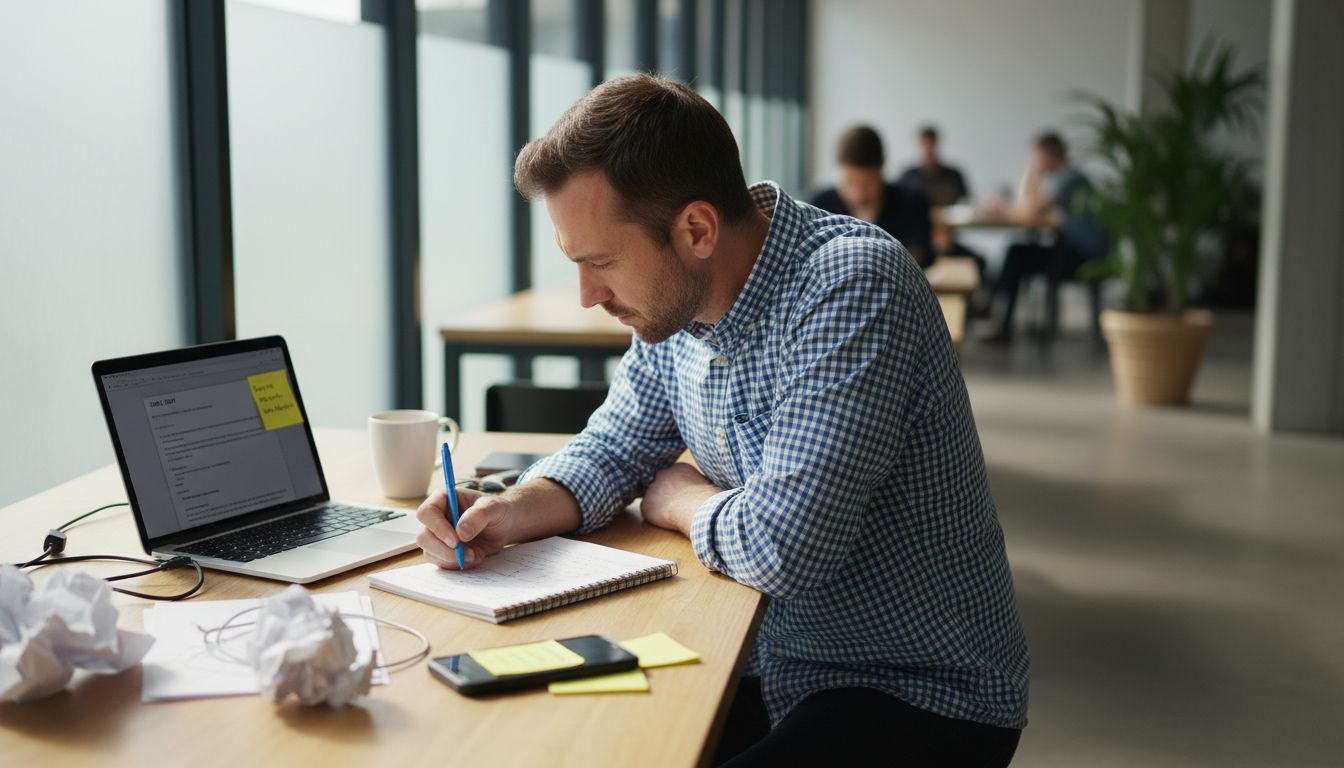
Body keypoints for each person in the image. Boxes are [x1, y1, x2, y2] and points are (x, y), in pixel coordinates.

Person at [414, 75, 1028, 765]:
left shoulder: (853, 285)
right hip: (763, 655)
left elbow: (784, 549)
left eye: (599, 262)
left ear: (697, 229)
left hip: (910, 688)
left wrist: (679, 496)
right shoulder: (674, 309)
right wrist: (509, 507)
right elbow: (616, 444)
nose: (587, 296)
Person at [984, 131, 1108, 342]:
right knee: (1018, 252)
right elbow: (1031, 208)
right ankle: (995, 310)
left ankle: (995, 310)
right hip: (1070, 248)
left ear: (1049, 155)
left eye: (1036, 157)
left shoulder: (1069, 178)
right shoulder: (1065, 178)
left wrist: (1030, 176)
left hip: (1082, 256)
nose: (1034, 161)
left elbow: (1030, 210)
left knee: (1016, 254)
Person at [809, 125, 933, 266]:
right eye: (849, 182)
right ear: (837, 170)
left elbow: (923, 259)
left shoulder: (912, 204)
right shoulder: (818, 207)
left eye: (868, 183)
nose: (858, 195)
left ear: (882, 170)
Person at [896, 124, 988, 287]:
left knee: (979, 262)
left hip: (949, 237)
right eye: (924, 145)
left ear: (937, 145)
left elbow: (967, 206)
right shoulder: (908, 176)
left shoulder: (954, 175)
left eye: (931, 145)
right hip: (919, 243)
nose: (928, 150)